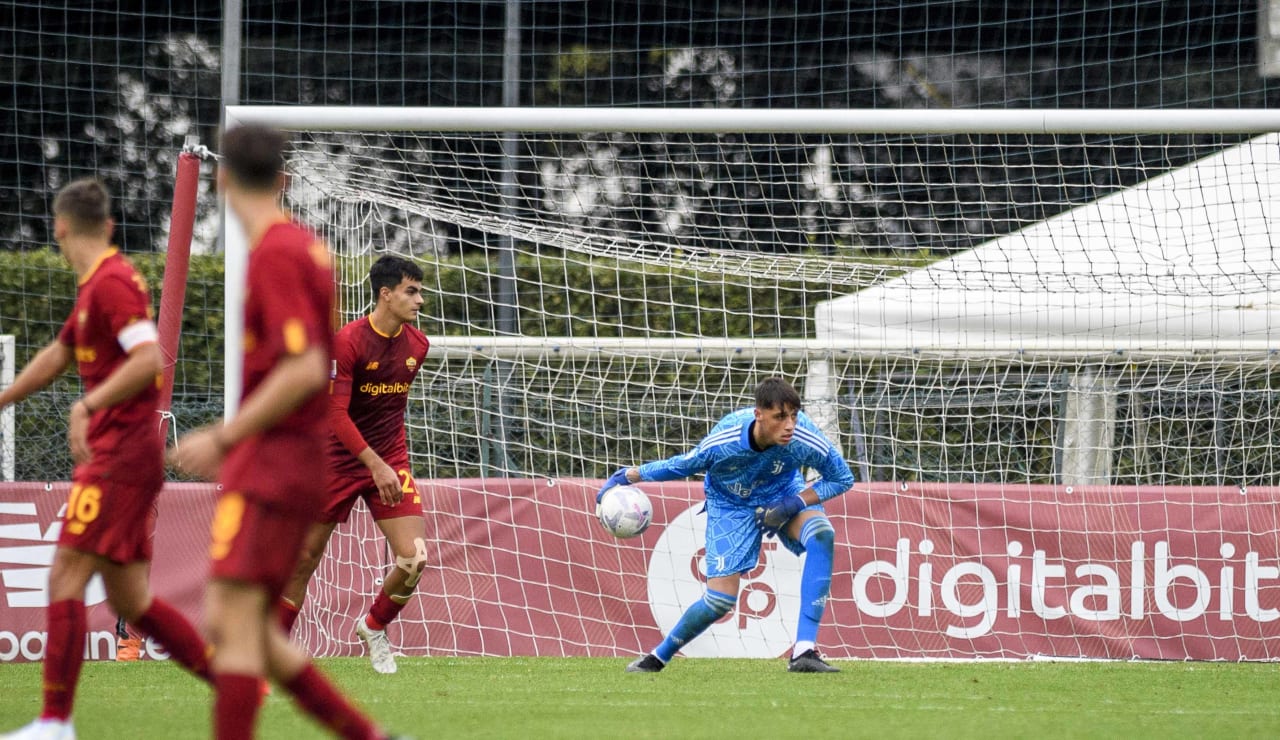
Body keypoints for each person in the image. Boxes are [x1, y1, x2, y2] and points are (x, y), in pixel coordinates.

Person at [168, 124, 393, 740]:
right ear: (285, 179)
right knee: (244, 623)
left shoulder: (276, 251)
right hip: (287, 459)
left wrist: (227, 433)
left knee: (234, 619)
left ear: (220, 178)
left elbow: (301, 369)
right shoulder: (303, 248)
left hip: (273, 462)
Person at [0, 178, 212, 740]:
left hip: (118, 455)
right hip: (122, 454)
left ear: (60, 226)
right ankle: (236, 681)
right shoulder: (97, 286)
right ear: (109, 225)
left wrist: (87, 404)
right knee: (132, 600)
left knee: (66, 575)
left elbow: (150, 360)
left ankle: (54, 723)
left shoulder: (114, 283)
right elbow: (58, 353)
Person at [597, 376, 855, 674]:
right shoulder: (726, 440)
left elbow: (842, 478)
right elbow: (682, 464)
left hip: (783, 492)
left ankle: (804, 651)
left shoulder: (803, 437)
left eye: (794, 416)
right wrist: (630, 475)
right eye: (780, 417)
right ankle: (657, 657)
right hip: (730, 504)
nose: (790, 425)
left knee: (822, 534)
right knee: (719, 600)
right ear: (759, 414)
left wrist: (794, 504)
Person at [277, 254, 430, 675]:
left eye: (420, 291)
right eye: (411, 291)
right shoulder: (346, 343)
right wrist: (374, 465)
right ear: (385, 294)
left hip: (389, 459)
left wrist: (386, 464)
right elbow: (335, 414)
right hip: (334, 461)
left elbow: (389, 412)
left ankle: (374, 627)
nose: (420, 301)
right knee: (304, 559)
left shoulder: (418, 345)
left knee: (414, 558)